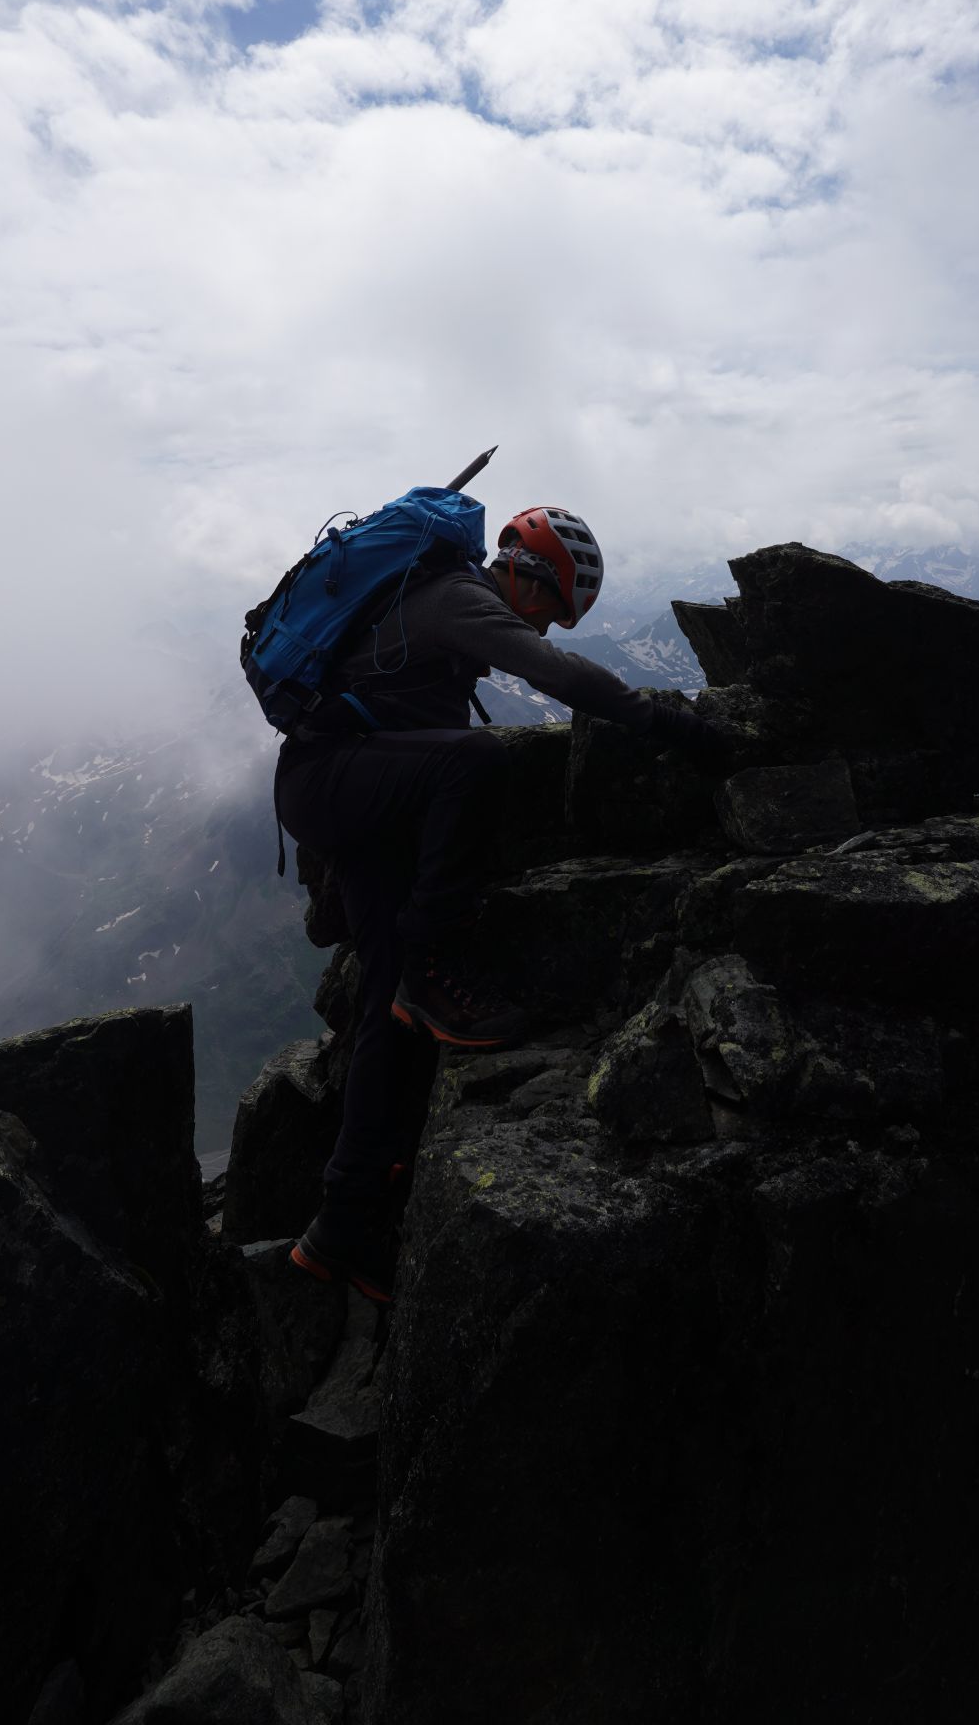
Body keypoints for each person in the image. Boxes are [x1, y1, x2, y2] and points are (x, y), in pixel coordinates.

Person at [275, 502, 725, 1300]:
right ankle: (431, 963)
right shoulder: (459, 598)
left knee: (385, 1014)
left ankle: (339, 1228)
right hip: (333, 785)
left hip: (345, 790)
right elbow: (554, 676)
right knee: (477, 760)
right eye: (554, 609)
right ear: (531, 572)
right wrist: (664, 722)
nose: (549, 629)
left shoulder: (442, 607)